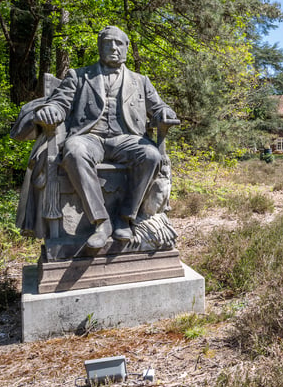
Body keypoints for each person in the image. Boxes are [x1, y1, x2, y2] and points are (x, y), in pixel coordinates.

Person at [34, 26, 177, 249]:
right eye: (108, 42)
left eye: (119, 43)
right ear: (99, 47)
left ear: (127, 48)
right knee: (74, 150)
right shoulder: (79, 75)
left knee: (151, 155)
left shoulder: (141, 80)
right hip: (90, 137)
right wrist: (51, 109)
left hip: (126, 139)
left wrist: (165, 113)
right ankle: (102, 222)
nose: (113, 47)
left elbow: (159, 107)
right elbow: (60, 103)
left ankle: (125, 217)